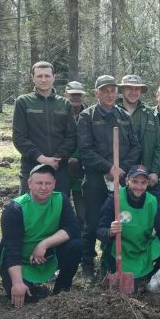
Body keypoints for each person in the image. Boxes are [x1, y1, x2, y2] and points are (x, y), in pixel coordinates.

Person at [77, 75, 142, 279]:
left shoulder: (123, 116)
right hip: (96, 177)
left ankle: (109, 262)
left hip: (120, 177)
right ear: (96, 93)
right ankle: (87, 263)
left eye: (113, 91)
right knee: (92, 221)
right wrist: (108, 167)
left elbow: (135, 146)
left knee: (115, 221)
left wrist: (121, 168)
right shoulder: (87, 117)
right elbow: (85, 150)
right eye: (105, 91)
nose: (109, 94)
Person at [0, 164, 83, 307]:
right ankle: (26, 283)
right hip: (20, 261)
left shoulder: (61, 200)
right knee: (26, 295)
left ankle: (62, 288)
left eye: (48, 183)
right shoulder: (15, 209)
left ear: (54, 184)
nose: (43, 187)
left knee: (76, 245)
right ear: (29, 183)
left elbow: (72, 229)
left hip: (46, 256)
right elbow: (12, 250)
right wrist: (17, 283)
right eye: (39, 183)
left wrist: (44, 244)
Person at [96, 165, 160, 285]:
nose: (139, 187)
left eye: (143, 183)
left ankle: (152, 274)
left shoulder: (152, 201)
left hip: (142, 248)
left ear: (148, 183)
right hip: (119, 251)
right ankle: (109, 269)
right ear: (127, 181)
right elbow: (100, 231)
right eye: (135, 182)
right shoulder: (114, 199)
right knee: (128, 285)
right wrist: (110, 232)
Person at [12, 61, 77, 196]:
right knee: (29, 206)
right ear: (32, 77)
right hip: (31, 166)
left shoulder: (64, 104)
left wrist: (56, 158)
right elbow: (19, 137)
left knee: (59, 206)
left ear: (54, 77)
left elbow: (72, 137)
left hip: (59, 168)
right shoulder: (23, 102)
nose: (43, 79)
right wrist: (41, 158)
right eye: (39, 76)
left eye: (47, 76)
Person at [118, 74, 160, 188]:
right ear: (122, 90)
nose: (133, 92)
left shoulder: (150, 114)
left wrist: (155, 171)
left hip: (144, 176)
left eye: (137, 89)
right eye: (129, 88)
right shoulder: (112, 111)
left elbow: (159, 146)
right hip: (118, 175)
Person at [65, 81, 88, 236]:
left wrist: (77, 158)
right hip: (61, 167)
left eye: (78, 94)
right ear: (66, 95)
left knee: (82, 211)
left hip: (82, 169)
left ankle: (81, 242)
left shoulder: (89, 115)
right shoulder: (59, 113)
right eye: (72, 94)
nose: (75, 97)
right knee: (62, 206)